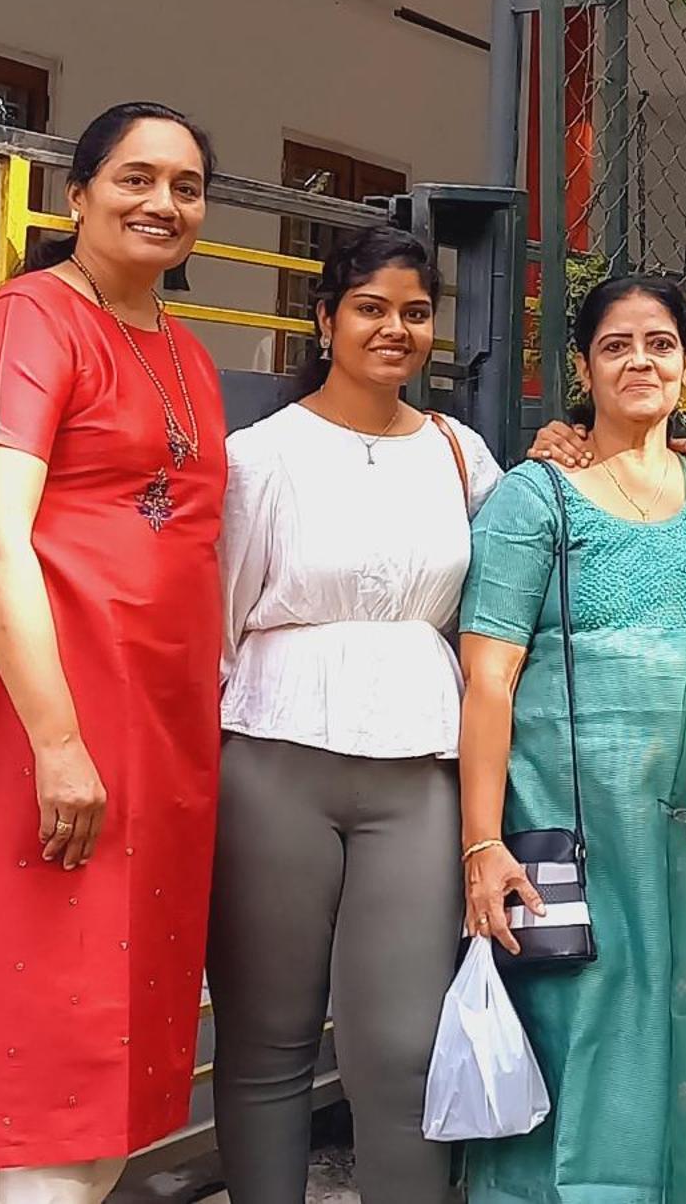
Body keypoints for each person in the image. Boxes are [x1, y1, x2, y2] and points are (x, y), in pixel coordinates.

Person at [0, 103, 225, 1204]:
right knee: (27, 1017)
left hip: (150, 728)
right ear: (76, 195)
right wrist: (59, 742)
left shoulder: (183, 349)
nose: (160, 203)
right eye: (133, 177)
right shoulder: (26, 325)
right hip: (31, 719)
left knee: (117, 1014)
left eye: (184, 184)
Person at [456, 275, 686, 1204]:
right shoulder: (537, 498)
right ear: (584, 367)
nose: (641, 360)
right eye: (616, 345)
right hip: (565, 834)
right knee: (581, 1033)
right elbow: (489, 678)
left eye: (660, 344)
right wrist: (482, 844)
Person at [210, 226, 504, 1204]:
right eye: (371, 308)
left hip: (418, 768)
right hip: (271, 761)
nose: (395, 329)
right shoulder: (260, 456)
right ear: (326, 317)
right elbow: (219, 620)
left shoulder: (462, 457)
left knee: (401, 1047)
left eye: (415, 312)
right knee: (267, 1041)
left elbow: (504, 594)